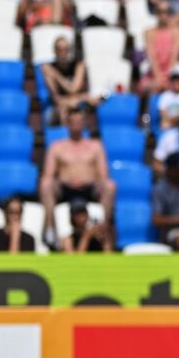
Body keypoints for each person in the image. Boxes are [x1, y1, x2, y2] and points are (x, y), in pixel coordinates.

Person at [37, 104, 116, 249]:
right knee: (45, 183)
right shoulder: (57, 146)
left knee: (109, 185)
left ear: (84, 123)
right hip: (65, 189)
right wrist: (65, 180)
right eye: (73, 122)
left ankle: (103, 228)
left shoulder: (95, 146)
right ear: (67, 123)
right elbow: (48, 173)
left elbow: (103, 175)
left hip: (89, 188)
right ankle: (50, 230)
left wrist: (91, 180)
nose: (76, 125)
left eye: (79, 121)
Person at [40, 36, 89, 121]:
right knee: (62, 112)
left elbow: (73, 89)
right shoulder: (47, 67)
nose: (63, 52)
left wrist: (56, 74)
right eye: (59, 49)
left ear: (69, 50)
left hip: (77, 104)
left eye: (65, 49)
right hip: (58, 107)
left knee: (82, 115)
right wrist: (76, 99)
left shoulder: (79, 65)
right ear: (54, 51)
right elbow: (55, 98)